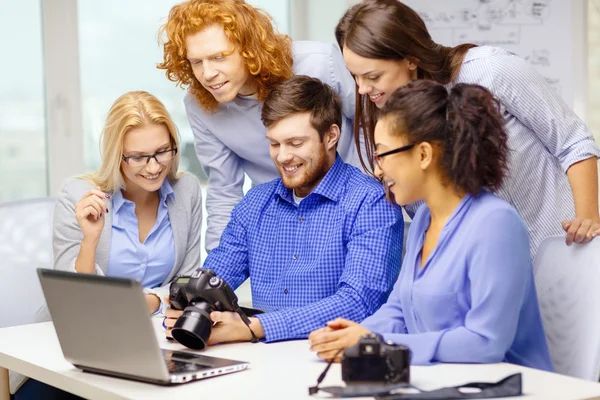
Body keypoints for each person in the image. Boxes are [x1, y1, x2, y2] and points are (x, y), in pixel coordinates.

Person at [308, 80, 553, 371]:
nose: (377, 169)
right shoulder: (424, 217)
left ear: (423, 154)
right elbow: (399, 308)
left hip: (506, 386)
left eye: (382, 154)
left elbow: (486, 342)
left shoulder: (496, 224)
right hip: (439, 381)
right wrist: (353, 337)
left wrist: (379, 343)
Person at [335, 0, 600, 256]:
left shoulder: (490, 70)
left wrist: (587, 219)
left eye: (373, 76)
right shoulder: (388, 123)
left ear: (411, 59)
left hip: (564, 248)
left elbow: (573, 141)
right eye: (354, 76)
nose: (362, 89)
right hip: (488, 270)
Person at [163, 75, 403, 344]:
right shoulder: (255, 204)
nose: (283, 156)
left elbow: (358, 302)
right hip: (262, 362)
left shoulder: (371, 203)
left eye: (296, 143)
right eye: (274, 144)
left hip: (335, 361)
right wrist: (188, 303)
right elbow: (214, 276)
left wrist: (256, 327)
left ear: (331, 136)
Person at [158, 0, 361, 253]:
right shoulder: (199, 105)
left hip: (357, 203)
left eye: (218, 57)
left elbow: (372, 126)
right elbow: (224, 191)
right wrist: (216, 273)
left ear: (248, 48)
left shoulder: (320, 63)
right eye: (196, 62)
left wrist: (366, 198)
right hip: (286, 221)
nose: (207, 73)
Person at [52, 91, 202, 314]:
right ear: (116, 155)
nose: (153, 168)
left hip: (157, 330)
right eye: (138, 157)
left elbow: (188, 282)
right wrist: (90, 242)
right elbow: (70, 296)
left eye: (162, 152)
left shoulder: (186, 190)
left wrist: (152, 301)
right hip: (86, 326)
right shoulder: (76, 195)